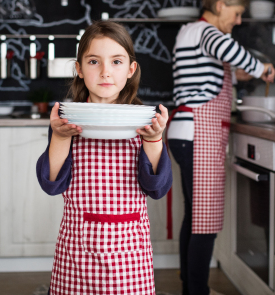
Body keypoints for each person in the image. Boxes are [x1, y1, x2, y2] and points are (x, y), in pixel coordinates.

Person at [36, 20, 174, 295]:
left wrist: (154, 139)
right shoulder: (67, 121)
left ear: (131, 69)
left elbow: (157, 189)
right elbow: (51, 184)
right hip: (78, 251)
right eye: (94, 61)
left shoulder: (144, 121)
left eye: (116, 62)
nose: (105, 72)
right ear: (79, 69)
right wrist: (61, 138)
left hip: (129, 254)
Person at [167, 0, 275, 295]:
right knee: (206, 221)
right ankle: (197, 292)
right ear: (220, 6)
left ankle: (191, 286)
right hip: (198, 133)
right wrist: (261, 68)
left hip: (185, 133)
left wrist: (233, 74)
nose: (239, 21)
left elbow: (205, 73)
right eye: (238, 13)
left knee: (195, 215)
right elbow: (233, 52)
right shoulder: (209, 33)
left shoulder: (189, 33)